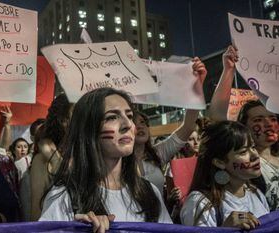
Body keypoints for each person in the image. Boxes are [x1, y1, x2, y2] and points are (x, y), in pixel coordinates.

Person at [40, 88, 172, 233]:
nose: (127, 124)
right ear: (89, 129)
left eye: (129, 116)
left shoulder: (149, 193)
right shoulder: (64, 197)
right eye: (111, 117)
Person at [209, 45, 279, 211]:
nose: (268, 124)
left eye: (273, 118)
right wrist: (228, 71)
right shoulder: (248, 165)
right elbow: (217, 117)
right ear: (244, 127)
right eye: (259, 120)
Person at [132, 57, 207, 195]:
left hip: (160, 216)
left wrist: (196, 88)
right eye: (133, 123)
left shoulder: (158, 153)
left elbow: (188, 126)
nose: (140, 127)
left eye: (143, 123)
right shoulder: (113, 160)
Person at [181, 121, 269, 229]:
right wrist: (225, 228)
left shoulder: (257, 194)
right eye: (243, 152)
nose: (255, 155)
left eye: (253, 147)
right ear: (220, 162)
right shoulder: (200, 203)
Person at [29, 94, 73, 220]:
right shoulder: (42, 161)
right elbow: (36, 214)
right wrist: (55, 161)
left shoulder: (94, 155)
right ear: (62, 121)